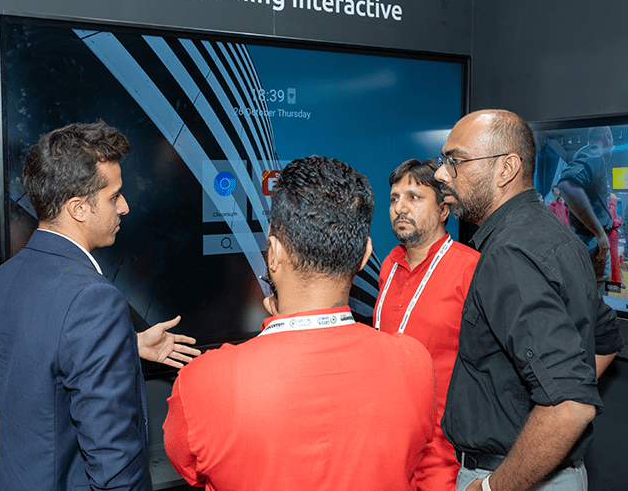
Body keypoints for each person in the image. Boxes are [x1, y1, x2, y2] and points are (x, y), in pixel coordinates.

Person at [163, 155, 438, 491]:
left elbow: (190, 468)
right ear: (365, 255)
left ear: (273, 253)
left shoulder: (200, 383)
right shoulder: (416, 363)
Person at [0, 121, 200, 490]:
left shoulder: (5, 277)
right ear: (79, 208)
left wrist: (125, 344)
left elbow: (42, 361)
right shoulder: (94, 299)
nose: (125, 207)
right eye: (114, 197)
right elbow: (114, 466)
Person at [434, 110, 624, 491]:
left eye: (455, 161)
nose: (440, 174)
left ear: (505, 169)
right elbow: (605, 340)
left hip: (513, 477)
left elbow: (571, 404)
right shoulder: (554, 234)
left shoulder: (510, 251)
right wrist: (535, 413)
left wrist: (491, 487)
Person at [375, 159, 479, 491]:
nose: (400, 208)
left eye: (414, 197)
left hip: (444, 452)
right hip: (389, 442)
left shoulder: (471, 268)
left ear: (443, 209)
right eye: (394, 199)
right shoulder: (389, 265)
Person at [556, 126, 615, 289]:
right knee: (596, 297)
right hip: (592, 242)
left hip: (589, 241)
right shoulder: (594, 153)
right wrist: (600, 233)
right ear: (606, 137)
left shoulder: (587, 154)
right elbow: (566, 186)